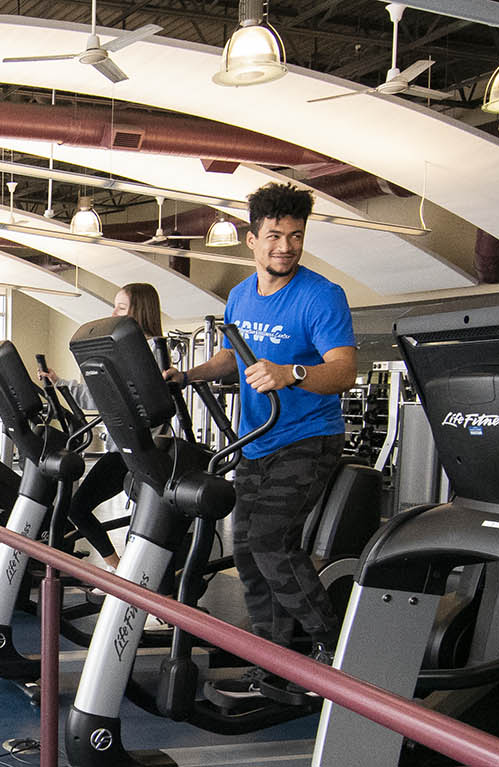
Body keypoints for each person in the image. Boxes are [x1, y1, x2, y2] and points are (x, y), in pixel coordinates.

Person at [164, 183, 357, 703]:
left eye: (295, 236)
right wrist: (188, 375)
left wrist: (290, 372)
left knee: (273, 542)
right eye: (274, 236)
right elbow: (233, 357)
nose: (285, 247)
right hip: (255, 442)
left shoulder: (322, 296)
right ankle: (271, 660)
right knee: (248, 554)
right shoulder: (241, 295)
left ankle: (333, 652)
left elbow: (342, 372)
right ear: (252, 239)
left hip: (308, 438)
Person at [38, 282, 166, 569]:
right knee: (78, 508)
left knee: (138, 523)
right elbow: (98, 396)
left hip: (143, 449)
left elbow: (148, 405)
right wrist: (59, 383)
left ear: (139, 312)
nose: (113, 312)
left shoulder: (154, 354)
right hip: (120, 448)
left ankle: (132, 578)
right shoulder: (121, 353)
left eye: (121, 307)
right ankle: (118, 569)